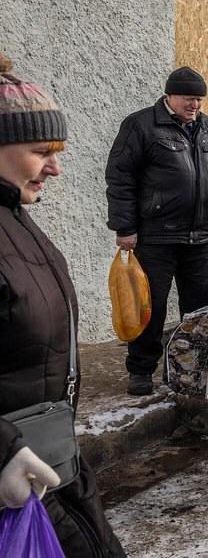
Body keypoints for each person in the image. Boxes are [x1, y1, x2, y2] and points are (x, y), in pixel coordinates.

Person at [0, 53, 126, 556]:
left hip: (54, 466)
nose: (55, 167)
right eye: (40, 150)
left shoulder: (18, 217)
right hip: (14, 480)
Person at [105, 66, 208, 396]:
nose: (195, 106)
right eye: (189, 99)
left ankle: (190, 369)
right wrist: (125, 226)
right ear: (170, 96)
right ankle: (141, 370)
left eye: (200, 100)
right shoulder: (141, 125)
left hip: (200, 237)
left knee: (200, 307)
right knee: (151, 307)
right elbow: (121, 176)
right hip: (156, 236)